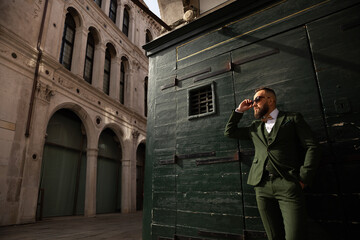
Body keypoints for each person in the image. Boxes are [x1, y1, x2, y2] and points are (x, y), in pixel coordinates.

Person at [224, 87, 321, 240]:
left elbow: (312, 146)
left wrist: (303, 178)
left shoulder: (292, 118)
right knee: (273, 236)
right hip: (261, 186)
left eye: (257, 99)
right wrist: (239, 111)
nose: (254, 104)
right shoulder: (255, 127)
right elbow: (229, 132)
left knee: (295, 236)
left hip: (288, 184)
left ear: (270, 100)